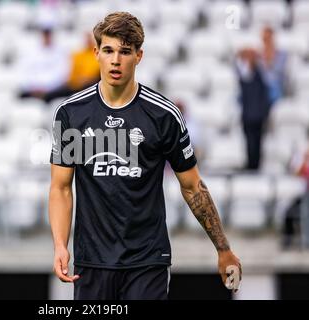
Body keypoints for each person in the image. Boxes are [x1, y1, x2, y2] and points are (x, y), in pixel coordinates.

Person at [49, 12, 242, 300]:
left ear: (139, 56)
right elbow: (61, 187)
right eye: (109, 50)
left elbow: (193, 187)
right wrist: (60, 245)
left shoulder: (164, 115)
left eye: (125, 52)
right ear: (96, 53)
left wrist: (223, 248)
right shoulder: (71, 114)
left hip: (147, 261)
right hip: (91, 262)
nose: (116, 60)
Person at [235, 26, 288, 170]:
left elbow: (272, 80)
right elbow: (242, 73)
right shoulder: (250, 68)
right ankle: (252, 165)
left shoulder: (275, 58)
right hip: (252, 111)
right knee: (250, 141)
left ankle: (256, 166)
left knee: (257, 141)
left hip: (262, 108)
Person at [43, 32, 100, 103]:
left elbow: (95, 75)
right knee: (50, 96)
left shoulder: (98, 55)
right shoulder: (77, 54)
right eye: (87, 38)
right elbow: (70, 73)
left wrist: (85, 79)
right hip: (74, 85)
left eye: (90, 38)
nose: (88, 40)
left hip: (89, 86)